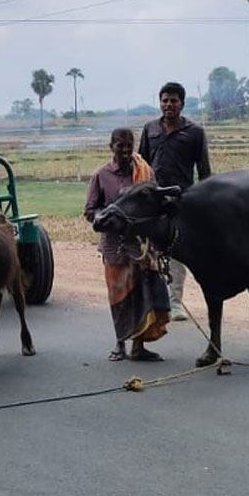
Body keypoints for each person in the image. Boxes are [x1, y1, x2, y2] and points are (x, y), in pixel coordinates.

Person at [85, 128, 171, 362]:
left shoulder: (145, 172)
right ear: (111, 147)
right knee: (119, 299)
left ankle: (138, 346)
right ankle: (120, 344)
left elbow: (155, 205)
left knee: (143, 295)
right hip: (115, 247)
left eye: (129, 145)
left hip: (141, 246)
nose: (125, 150)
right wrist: (109, 218)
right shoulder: (101, 175)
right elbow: (90, 211)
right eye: (120, 145)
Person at [137, 82, 211, 323]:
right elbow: (141, 163)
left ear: (182, 104)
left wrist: (205, 200)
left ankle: (175, 302)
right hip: (153, 199)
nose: (168, 105)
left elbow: (204, 170)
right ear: (160, 102)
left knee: (177, 250)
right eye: (165, 100)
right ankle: (154, 300)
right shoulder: (150, 129)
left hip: (181, 200)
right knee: (150, 249)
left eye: (173, 101)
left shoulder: (195, 132)